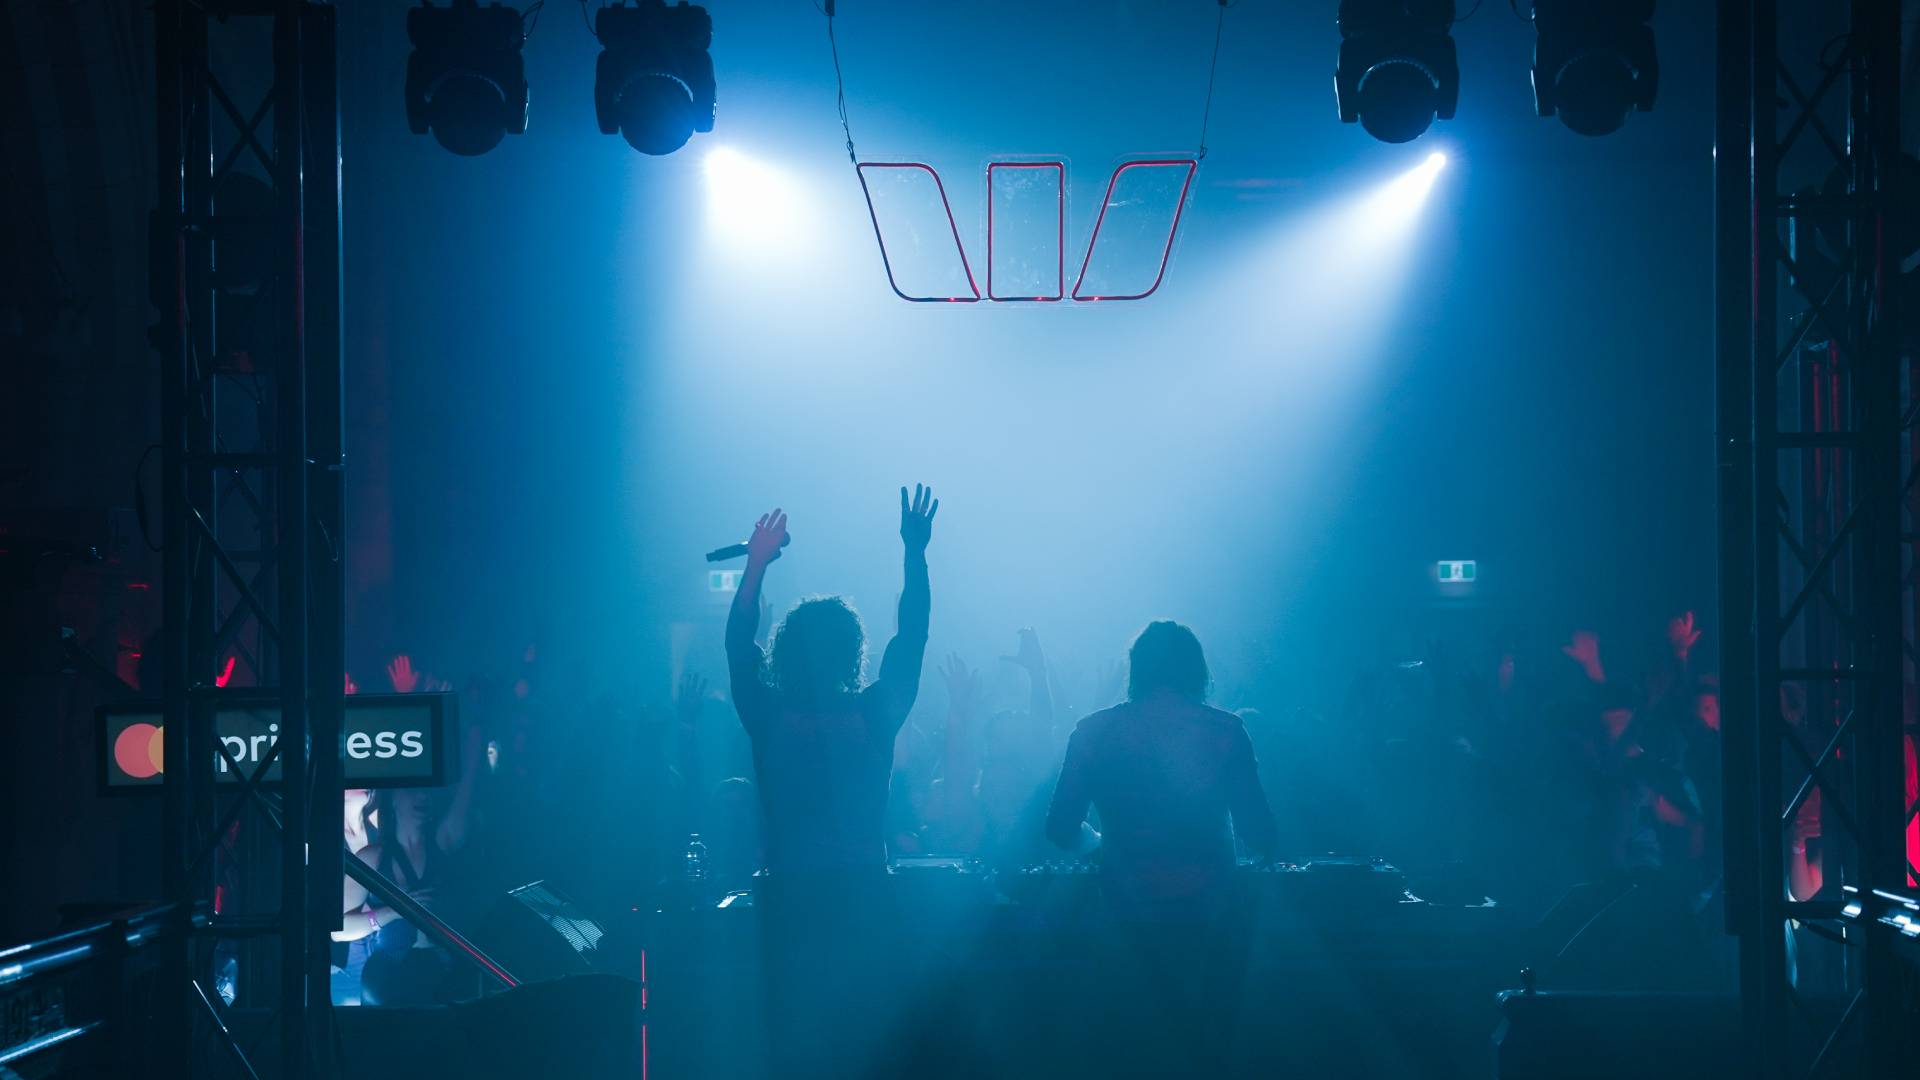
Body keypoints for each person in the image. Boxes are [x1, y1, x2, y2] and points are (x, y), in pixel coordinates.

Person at [724, 485, 937, 1078]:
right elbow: (912, 637)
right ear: (852, 654)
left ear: (786, 652)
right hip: (865, 898)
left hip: (792, 902)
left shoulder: (768, 718)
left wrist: (757, 565)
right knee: (871, 1044)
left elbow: (739, 649)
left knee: (796, 1044)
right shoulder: (874, 715)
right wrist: (914, 553)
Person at [1044, 620, 1278, 1075]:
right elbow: (1261, 833)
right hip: (1211, 915)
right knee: (1205, 1047)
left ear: (1137, 670)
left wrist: (1098, 847)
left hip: (1123, 912)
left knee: (1132, 1043)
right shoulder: (1226, 730)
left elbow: (1059, 827)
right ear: (1197, 670)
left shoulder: (1092, 732)